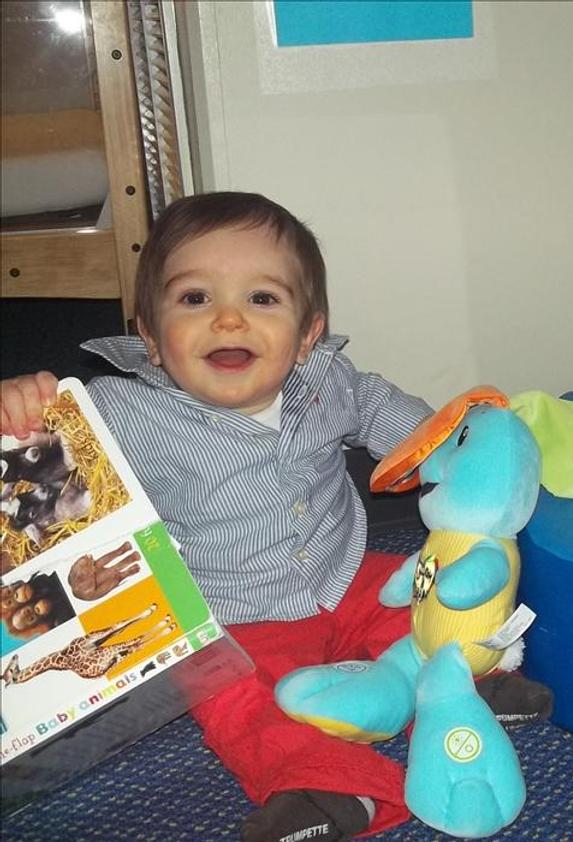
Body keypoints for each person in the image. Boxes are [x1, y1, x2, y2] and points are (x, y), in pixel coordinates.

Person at [0, 192, 435, 841]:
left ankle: (467, 684)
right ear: (149, 334)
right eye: (195, 299)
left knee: (428, 585)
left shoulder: (326, 378)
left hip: (341, 578)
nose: (229, 320)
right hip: (230, 619)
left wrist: (447, 447)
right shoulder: (119, 411)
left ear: (307, 331)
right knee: (226, 700)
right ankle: (329, 786)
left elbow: (378, 409)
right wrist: (20, 408)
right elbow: (41, 482)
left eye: (262, 299)